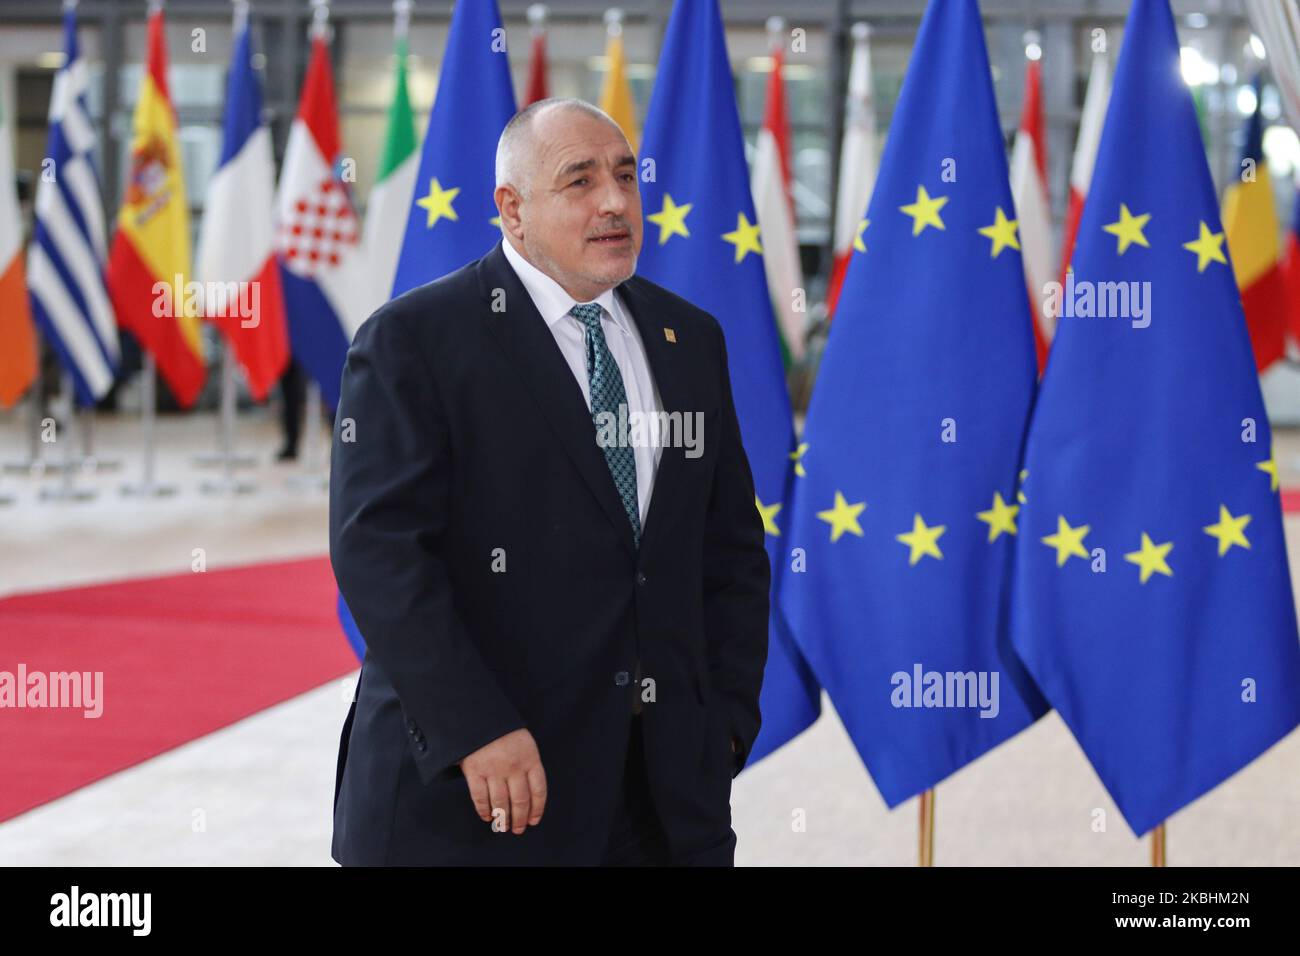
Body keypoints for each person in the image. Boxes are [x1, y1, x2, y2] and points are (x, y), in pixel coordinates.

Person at [328, 98, 768, 865]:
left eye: (627, 177)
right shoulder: (416, 341)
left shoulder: (689, 338)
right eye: (580, 180)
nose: (615, 202)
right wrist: (474, 727)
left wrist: (721, 721)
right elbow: (380, 556)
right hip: (482, 800)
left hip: (663, 803)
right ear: (512, 209)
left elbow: (729, 550)